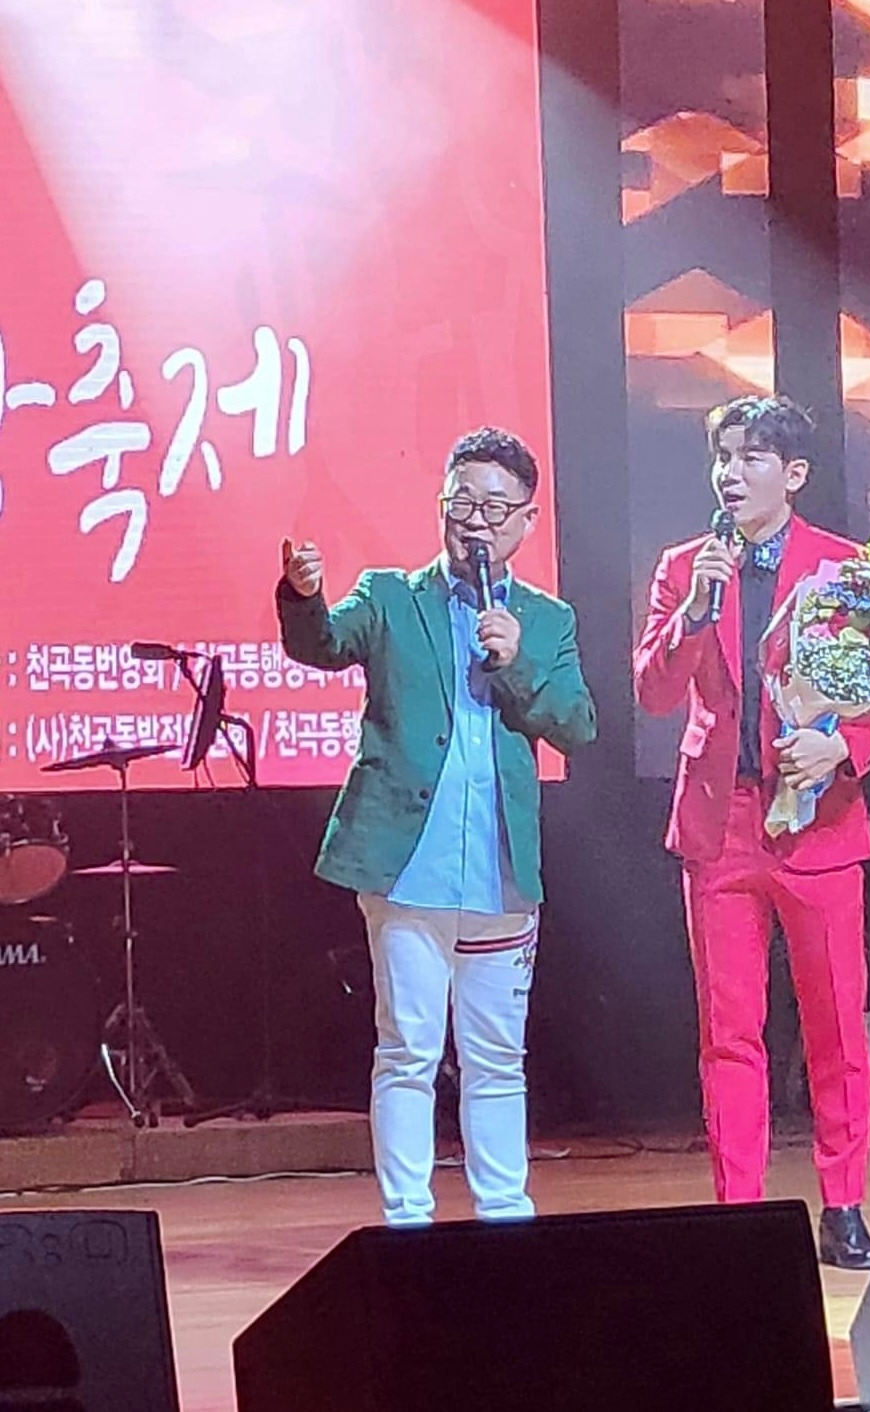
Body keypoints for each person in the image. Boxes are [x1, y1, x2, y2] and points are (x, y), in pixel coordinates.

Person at [277, 427, 596, 1227]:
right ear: (441, 506)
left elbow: (576, 725)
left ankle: (505, 1214)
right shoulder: (391, 596)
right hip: (406, 868)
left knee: (496, 1058)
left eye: (494, 508)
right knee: (408, 1049)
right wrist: (302, 593)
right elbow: (323, 643)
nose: (475, 523)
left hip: (499, 873)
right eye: (462, 503)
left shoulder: (545, 619)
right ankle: (408, 1221)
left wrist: (518, 660)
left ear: (526, 521)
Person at [633, 395, 870, 1269]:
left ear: (792, 474)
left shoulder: (845, 568)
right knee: (730, 1031)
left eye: (751, 458)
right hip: (721, 826)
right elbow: (653, 692)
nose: (731, 473)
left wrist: (843, 746)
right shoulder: (685, 569)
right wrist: (695, 611)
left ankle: (844, 1207)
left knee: (837, 1026)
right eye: (724, 457)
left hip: (819, 823)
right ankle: (741, 1218)